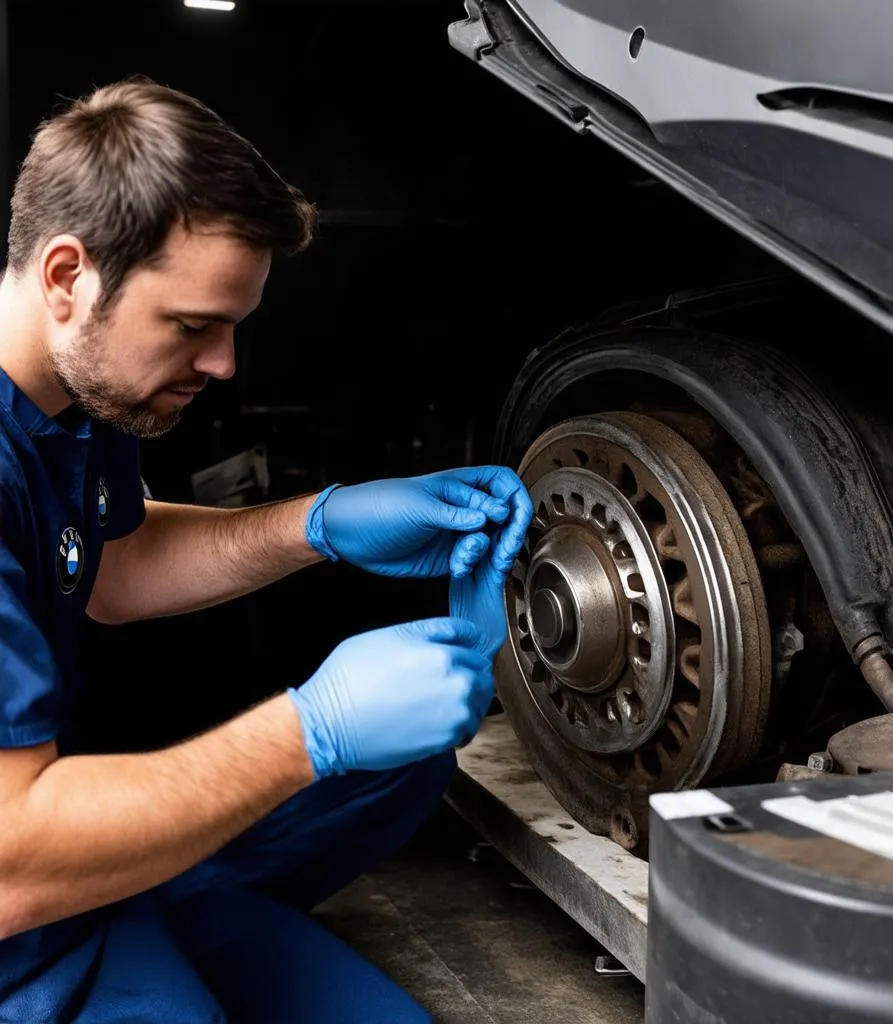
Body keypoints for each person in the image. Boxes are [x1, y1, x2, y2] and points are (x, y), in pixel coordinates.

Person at [0, 78, 532, 1023]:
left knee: (406, 766)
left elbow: (110, 566)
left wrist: (320, 523)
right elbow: (12, 860)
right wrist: (312, 728)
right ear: (66, 274)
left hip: (72, 884)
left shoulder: (80, 390)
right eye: (193, 327)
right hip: (19, 913)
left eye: (233, 326)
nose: (222, 366)